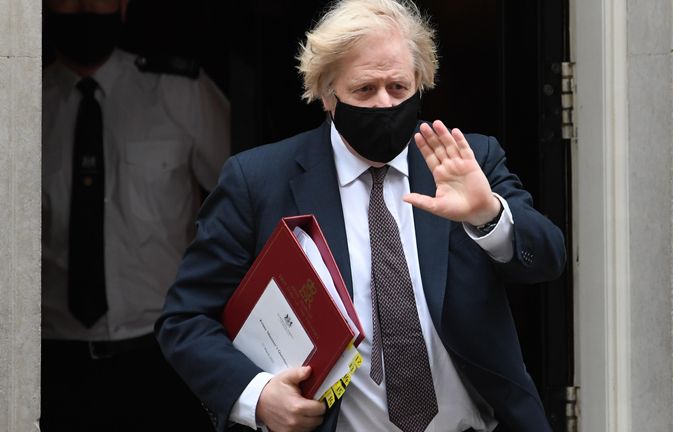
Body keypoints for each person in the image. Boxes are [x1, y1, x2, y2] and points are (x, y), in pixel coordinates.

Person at [155, 0, 566, 431]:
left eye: (398, 88)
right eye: (365, 90)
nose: (384, 105)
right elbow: (185, 319)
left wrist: (487, 214)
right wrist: (256, 396)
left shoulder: (467, 161)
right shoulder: (258, 182)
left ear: (420, 84)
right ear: (328, 95)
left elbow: (549, 258)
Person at [41, 0, 230, 430]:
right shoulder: (20, 101)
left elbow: (246, 202)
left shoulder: (179, 90)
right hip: (51, 357)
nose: (84, 9)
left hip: (163, 354)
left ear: (123, 6)